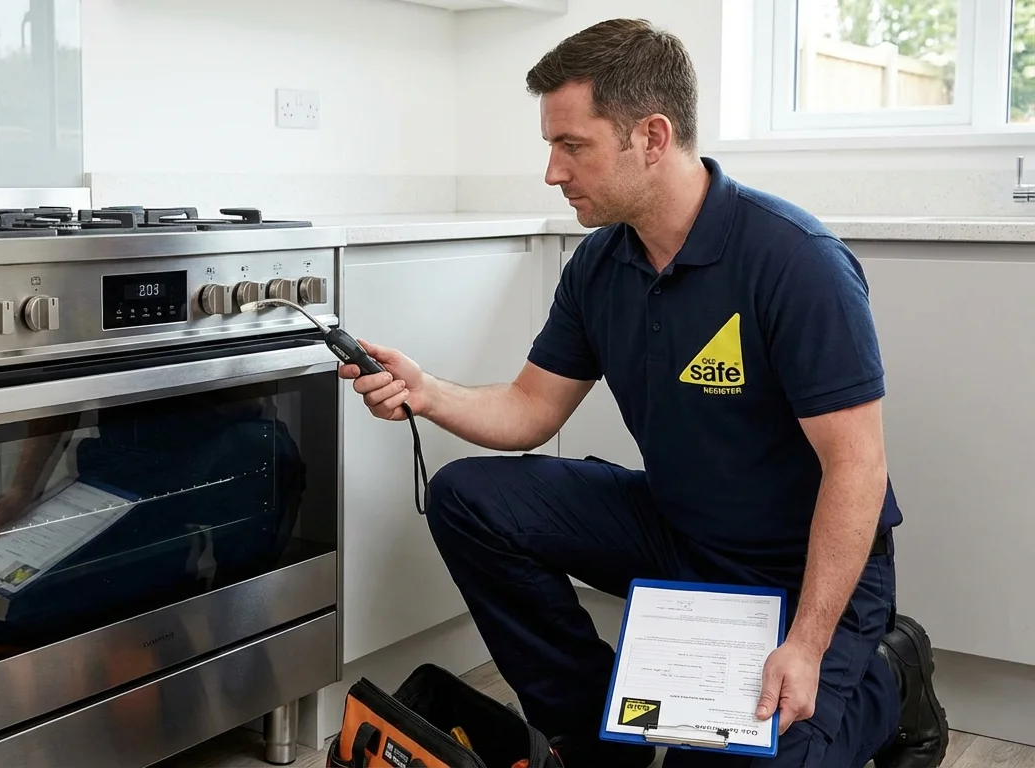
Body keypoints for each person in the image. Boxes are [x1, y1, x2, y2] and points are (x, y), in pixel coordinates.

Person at [338, 17, 948, 768]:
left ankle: (892, 675)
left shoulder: (796, 262)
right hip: (680, 527)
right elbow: (530, 410)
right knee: (470, 500)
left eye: (572, 145)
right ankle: (592, 736)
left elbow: (857, 467)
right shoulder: (600, 265)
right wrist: (427, 392)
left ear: (651, 137)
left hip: (799, 570)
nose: (553, 172)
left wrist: (808, 644)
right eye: (550, 147)